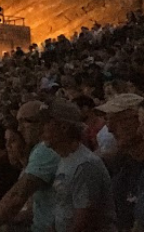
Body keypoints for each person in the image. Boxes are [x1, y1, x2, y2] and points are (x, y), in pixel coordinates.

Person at [0, 100, 59, 232]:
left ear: (43, 122)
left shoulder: (45, 149)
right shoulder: (39, 151)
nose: (19, 128)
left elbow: (17, 196)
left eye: (25, 121)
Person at [40, 97, 116, 232]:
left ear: (63, 127)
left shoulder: (84, 165)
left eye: (46, 122)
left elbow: (84, 223)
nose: (42, 128)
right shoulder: (67, 159)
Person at [95, 93, 144, 231]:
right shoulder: (120, 163)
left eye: (118, 120)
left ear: (138, 120)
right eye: (108, 120)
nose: (110, 128)